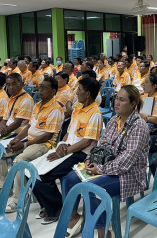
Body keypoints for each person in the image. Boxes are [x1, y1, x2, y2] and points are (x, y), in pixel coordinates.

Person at [62, 85, 149, 238]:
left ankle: (103, 233)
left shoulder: (138, 126)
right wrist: (90, 159)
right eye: (116, 98)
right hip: (107, 165)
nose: (117, 102)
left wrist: (100, 169)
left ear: (133, 103)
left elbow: (126, 162)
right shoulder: (114, 120)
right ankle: (73, 217)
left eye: (122, 100)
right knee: (70, 179)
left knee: (91, 189)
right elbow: (102, 144)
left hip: (128, 175)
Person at [32, 77, 102, 224]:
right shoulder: (78, 107)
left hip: (80, 154)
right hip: (67, 149)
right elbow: (68, 132)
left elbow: (87, 141)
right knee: (32, 171)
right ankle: (49, 205)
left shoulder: (95, 113)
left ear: (88, 94)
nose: (76, 93)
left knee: (43, 177)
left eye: (79, 90)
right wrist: (62, 144)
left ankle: (58, 210)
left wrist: (64, 151)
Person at [5, 77, 64, 212]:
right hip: (29, 141)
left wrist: (24, 145)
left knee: (19, 161)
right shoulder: (37, 105)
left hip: (44, 145)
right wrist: (18, 139)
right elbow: (29, 126)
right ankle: (2, 186)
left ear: (53, 91)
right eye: (40, 87)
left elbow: (48, 135)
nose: (40, 90)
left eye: (44, 88)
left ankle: (18, 199)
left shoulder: (55, 109)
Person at [140, 73, 157, 153]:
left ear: (154, 86)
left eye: (147, 82)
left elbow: (155, 119)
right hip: (142, 124)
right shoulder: (143, 97)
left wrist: (143, 116)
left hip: (153, 129)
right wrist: (142, 115)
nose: (144, 84)